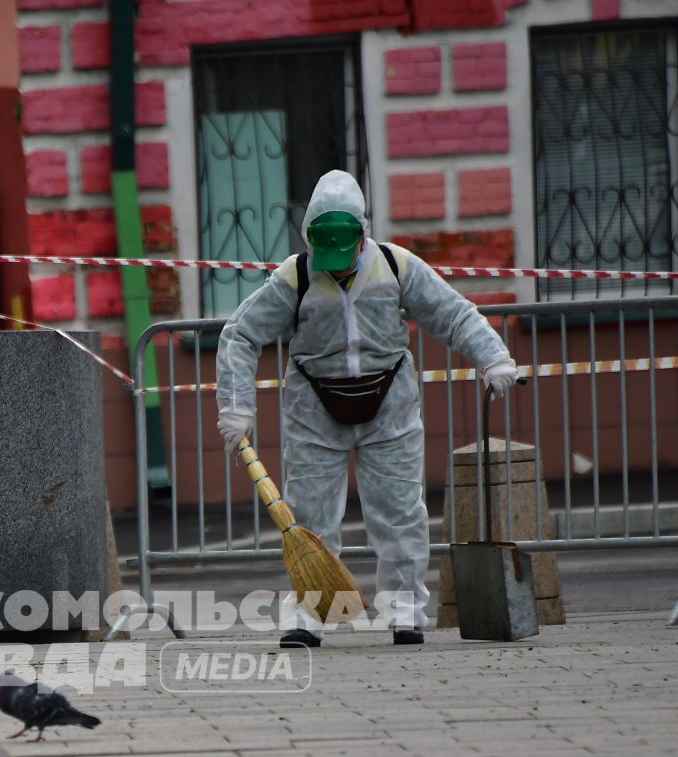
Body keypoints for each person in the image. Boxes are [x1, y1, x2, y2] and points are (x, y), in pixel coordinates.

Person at [216, 169, 518, 647]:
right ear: (310, 240)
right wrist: (236, 406)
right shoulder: (295, 277)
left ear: (363, 234)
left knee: (399, 512)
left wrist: (492, 355)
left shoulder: (397, 267)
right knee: (310, 517)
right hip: (313, 409)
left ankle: (404, 613)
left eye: (345, 252)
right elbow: (241, 333)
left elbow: (451, 312)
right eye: (327, 255)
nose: (336, 265)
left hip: (389, 408)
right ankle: (309, 616)